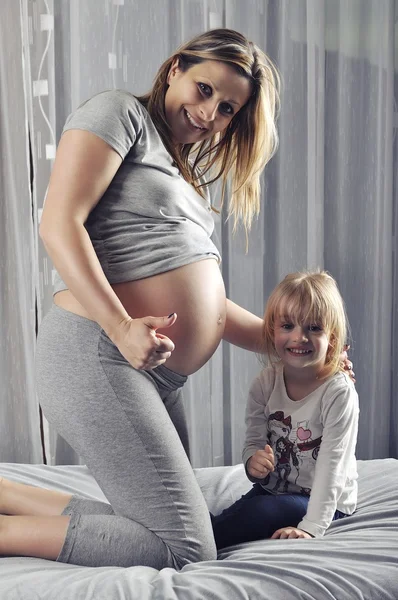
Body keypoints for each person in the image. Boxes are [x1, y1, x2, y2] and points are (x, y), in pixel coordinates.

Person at [0, 30, 353, 569]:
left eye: (228, 108)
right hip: (98, 351)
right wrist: (120, 328)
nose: (210, 112)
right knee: (181, 545)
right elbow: (58, 223)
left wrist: (296, 345)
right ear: (175, 70)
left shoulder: (181, 171)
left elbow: (205, 304)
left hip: (155, 372)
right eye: (204, 89)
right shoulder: (120, 114)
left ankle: (8, 495)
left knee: (160, 518)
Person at [211, 270, 359, 549]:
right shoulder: (265, 382)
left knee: (260, 513)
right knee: (236, 515)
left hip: (323, 502)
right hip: (274, 488)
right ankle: (195, 535)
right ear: (272, 331)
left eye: (314, 328)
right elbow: (254, 441)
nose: (299, 338)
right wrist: (252, 464)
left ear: (333, 336)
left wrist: (312, 528)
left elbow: (332, 467)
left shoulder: (338, 392)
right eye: (288, 326)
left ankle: (195, 545)